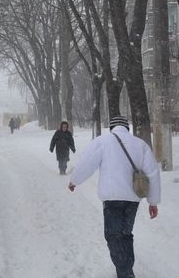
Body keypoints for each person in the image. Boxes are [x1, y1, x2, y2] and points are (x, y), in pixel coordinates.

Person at [67, 116, 161, 278]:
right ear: (127, 128)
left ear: (111, 128)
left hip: (112, 199)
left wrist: (74, 180)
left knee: (113, 236)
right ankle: (126, 270)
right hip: (133, 199)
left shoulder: (103, 141)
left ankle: (125, 272)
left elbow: (87, 163)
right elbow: (153, 173)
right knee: (126, 234)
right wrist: (153, 202)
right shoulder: (140, 145)